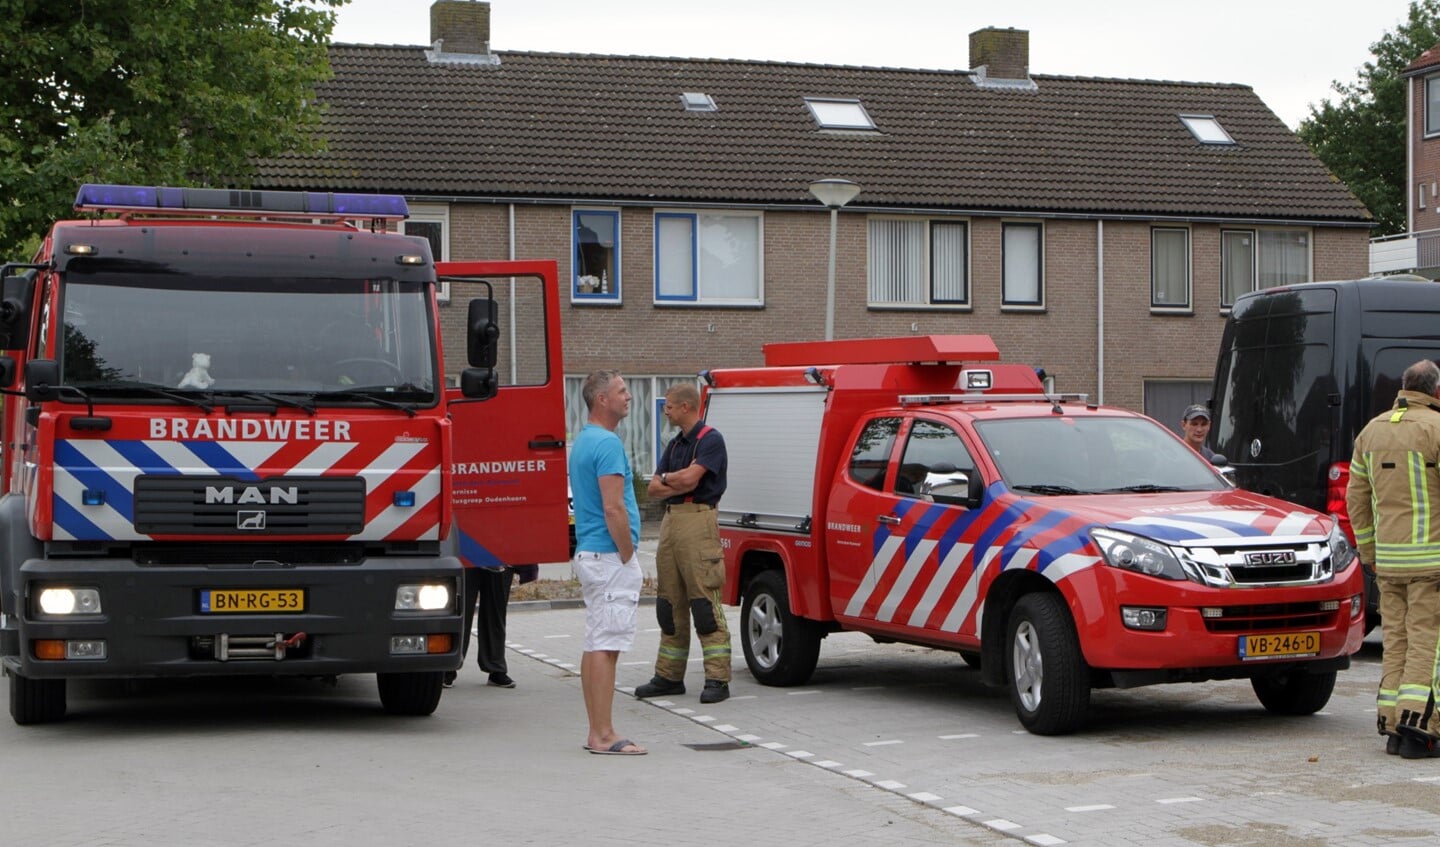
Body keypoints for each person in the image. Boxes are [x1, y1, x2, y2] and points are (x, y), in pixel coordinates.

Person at [1346, 358, 1440, 760]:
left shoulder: (1371, 432)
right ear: (1435, 392)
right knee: (1427, 644)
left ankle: (1391, 726)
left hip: (1388, 562)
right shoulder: (1435, 429)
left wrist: (1369, 552)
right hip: (1431, 561)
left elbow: (1356, 500)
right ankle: (1420, 730)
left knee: (1396, 642)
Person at [635, 384, 732, 704]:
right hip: (671, 521)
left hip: (698, 521)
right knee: (668, 603)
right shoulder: (676, 444)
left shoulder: (711, 440)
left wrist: (670, 480)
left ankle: (717, 679)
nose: (666, 410)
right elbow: (652, 489)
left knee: (703, 604)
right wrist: (671, 480)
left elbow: (690, 481)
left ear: (688, 407)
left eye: (671, 406)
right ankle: (668, 676)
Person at [568, 370, 647, 755]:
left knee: (597, 640)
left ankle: (596, 731)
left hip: (592, 551)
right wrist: (627, 552)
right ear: (601, 399)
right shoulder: (608, 444)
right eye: (621, 391)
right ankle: (603, 734)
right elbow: (613, 506)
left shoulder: (584, 441)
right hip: (608, 554)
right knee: (607, 644)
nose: (628, 396)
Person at [444, 562, 536, 689]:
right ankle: (448, 667)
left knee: (495, 612)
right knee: (459, 611)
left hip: (501, 553)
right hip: (466, 552)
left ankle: (496, 668)